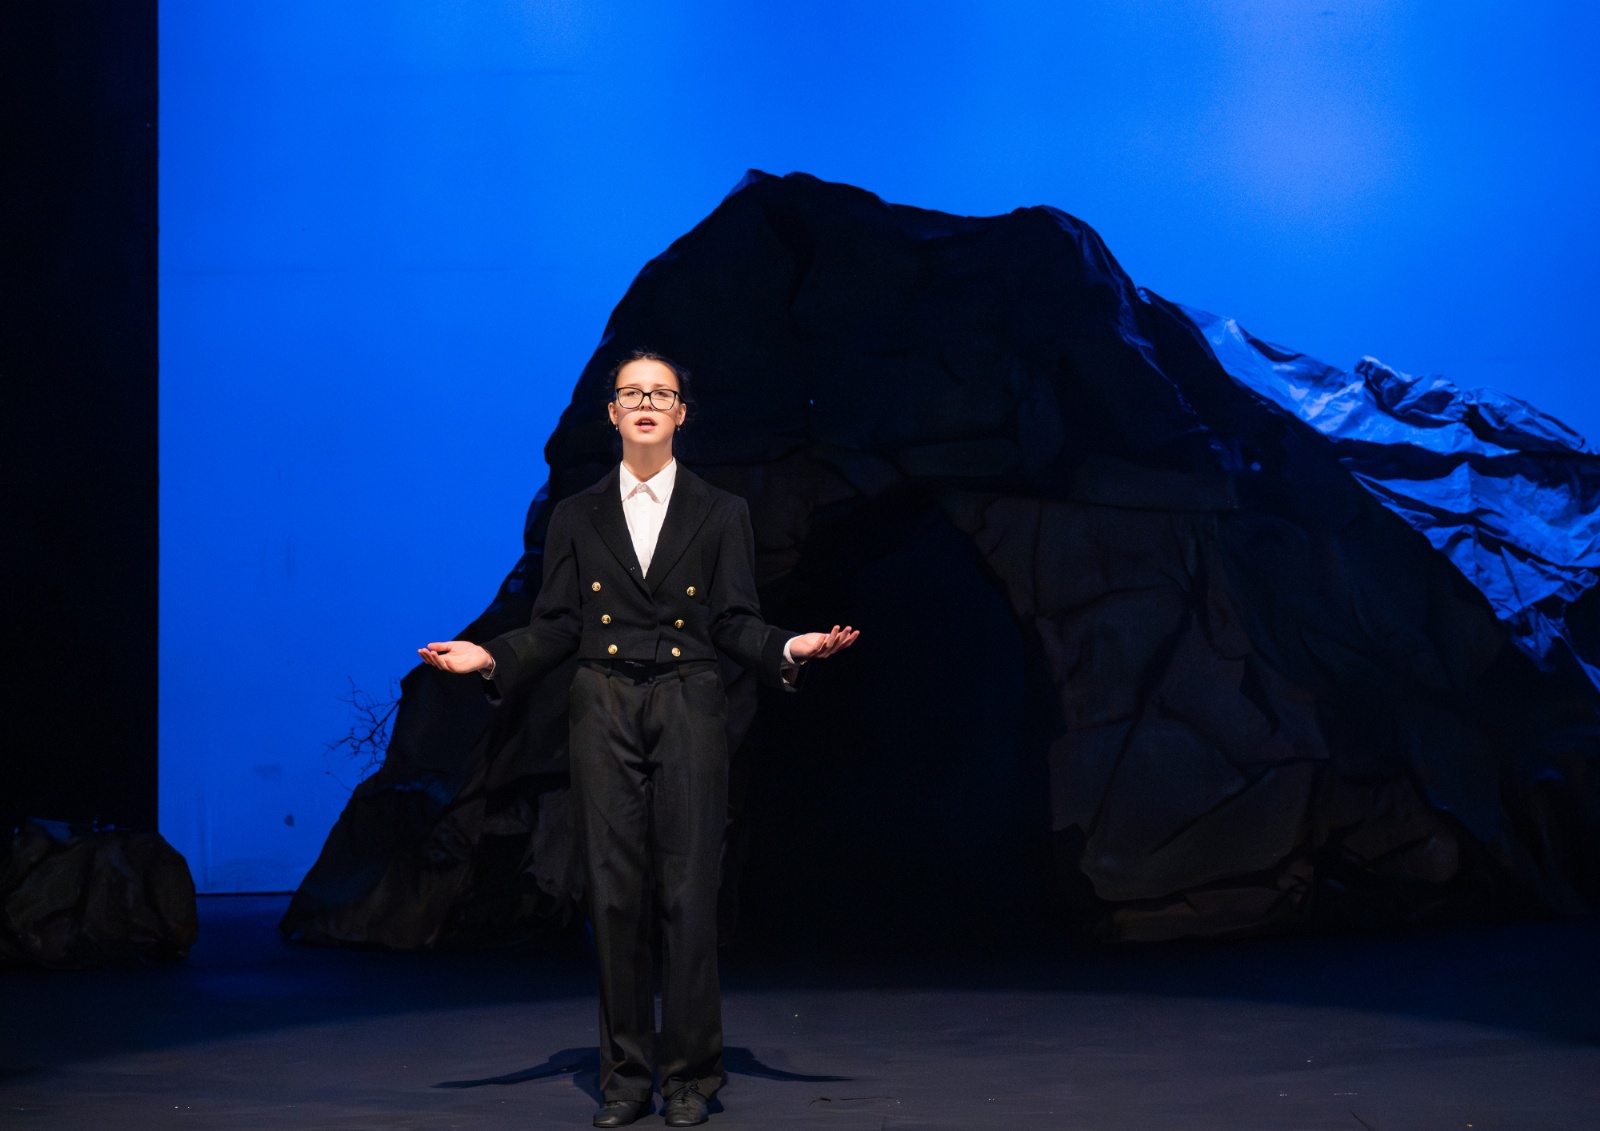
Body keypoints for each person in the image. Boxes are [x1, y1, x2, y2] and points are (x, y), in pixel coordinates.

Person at [418, 350, 859, 1127]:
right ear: (613, 413)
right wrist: (490, 656)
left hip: (689, 701)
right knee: (614, 892)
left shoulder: (720, 511)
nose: (647, 402)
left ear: (682, 413)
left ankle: (691, 1075)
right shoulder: (577, 515)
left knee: (688, 893)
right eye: (632, 392)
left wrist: (790, 647)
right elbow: (558, 623)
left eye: (662, 392)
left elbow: (734, 619)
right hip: (604, 704)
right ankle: (624, 1076)